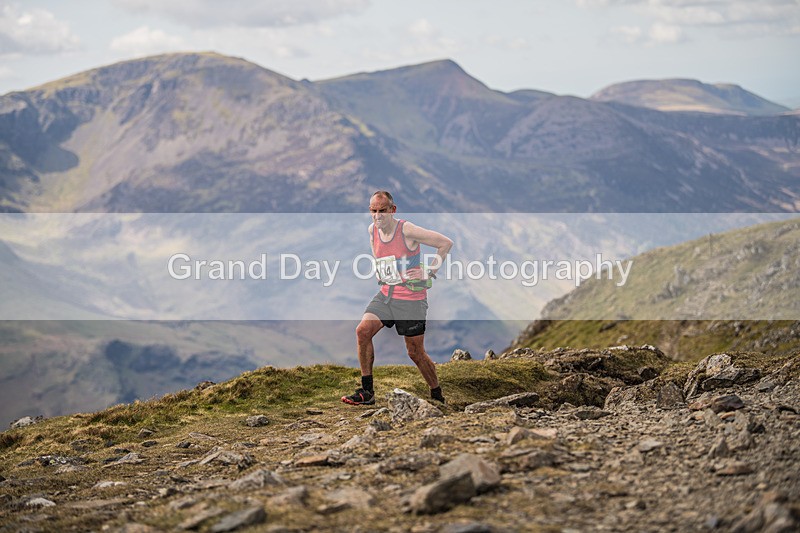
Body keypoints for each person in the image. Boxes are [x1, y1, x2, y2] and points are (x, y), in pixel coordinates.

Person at [341, 190, 453, 406]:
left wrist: (429, 271)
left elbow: (446, 243)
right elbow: (380, 255)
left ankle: (437, 395)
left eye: (382, 211)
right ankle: (367, 392)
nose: (377, 216)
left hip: (411, 299)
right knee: (362, 331)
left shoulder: (407, 230)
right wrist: (380, 272)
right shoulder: (372, 230)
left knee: (415, 352)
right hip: (386, 295)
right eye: (373, 211)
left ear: (393, 210)